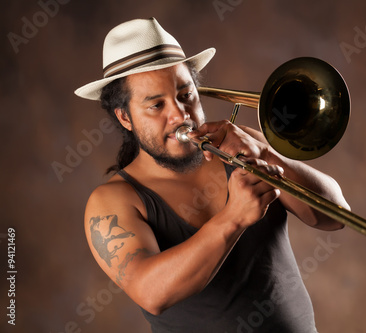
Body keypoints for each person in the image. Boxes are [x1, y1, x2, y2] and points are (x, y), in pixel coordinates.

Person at [75, 17, 350, 332]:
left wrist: (267, 155)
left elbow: (335, 216)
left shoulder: (242, 143)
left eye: (185, 95)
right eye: (156, 105)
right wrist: (233, 218)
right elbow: (152, 293)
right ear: (125, 117)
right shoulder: (111, 201)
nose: (180, 115)